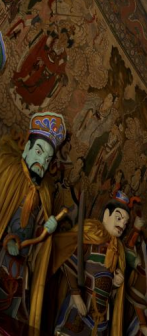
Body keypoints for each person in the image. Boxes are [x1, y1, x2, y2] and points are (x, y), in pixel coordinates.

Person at [0, 112, 66, 330]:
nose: (42, 162)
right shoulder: (9, 172)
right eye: (39, 152)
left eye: (47, 159)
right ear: (26, 149)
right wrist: (7, 239)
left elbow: (38, 237)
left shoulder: (44, 192)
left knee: (13, 320)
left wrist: (46, 228)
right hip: (2, 256)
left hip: (21, 268)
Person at [51, 189, 137, 336]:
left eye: (125, 222)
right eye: (118, 218)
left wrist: (115, 284)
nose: (122, 225)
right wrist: (76, 295)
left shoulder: (118, 251)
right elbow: (69, 261)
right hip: (81, 304)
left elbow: (108, 285)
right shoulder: (91, 235)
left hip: (101, 315)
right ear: (106, 215)